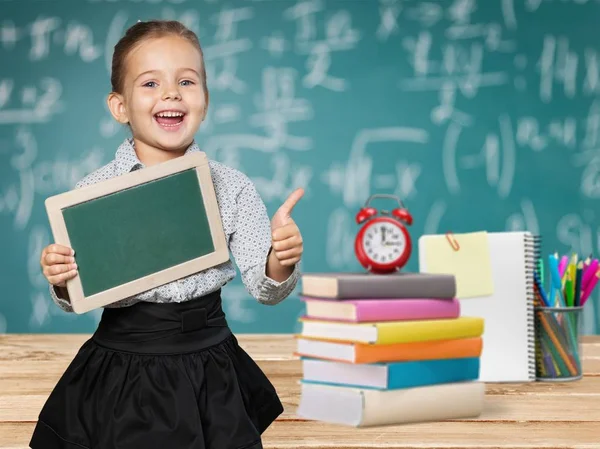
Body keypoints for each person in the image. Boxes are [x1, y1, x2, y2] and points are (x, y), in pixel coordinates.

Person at [31, 19, 304, 449]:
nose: (171, 93)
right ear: (120, 106)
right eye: (151, 83)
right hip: (123, 365)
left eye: (186, 81)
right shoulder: (91, 194)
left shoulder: (231, 186)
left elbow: (264, 288)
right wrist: (61, 278)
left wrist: (280, 260)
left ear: (205, 100)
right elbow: (75, 300)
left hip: (210, 363)